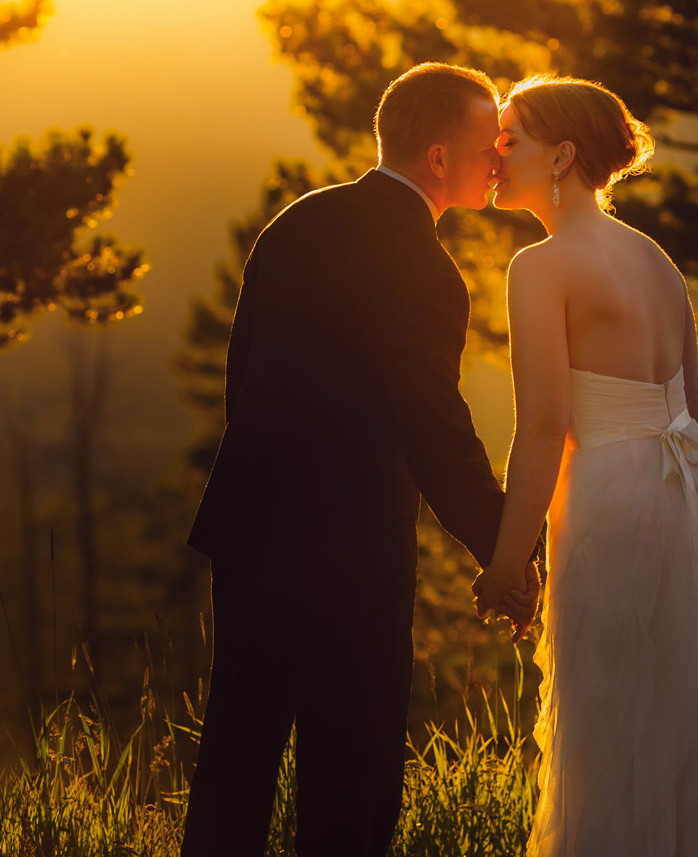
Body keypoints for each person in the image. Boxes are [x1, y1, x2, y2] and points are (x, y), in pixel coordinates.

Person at [182, 62, 540, 857]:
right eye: (489, 145)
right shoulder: (427, 271)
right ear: (440, 158)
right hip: (350, 554)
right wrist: (506, 551)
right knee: (353, 768)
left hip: (250, 532)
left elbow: (243, 379)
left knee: (236, 755)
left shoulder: (296, 223)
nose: (497, 161)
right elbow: (434, 426)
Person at [471, 74, 698, 856]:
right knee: (684, 720)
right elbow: (693, 411)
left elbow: (546, 425)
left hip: (612, 503)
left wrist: (504, 562)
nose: (495, 158)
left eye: (509, 141)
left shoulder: (542, 267)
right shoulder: (655, 259)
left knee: (614, 722)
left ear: (561, 155)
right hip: (695, 496)